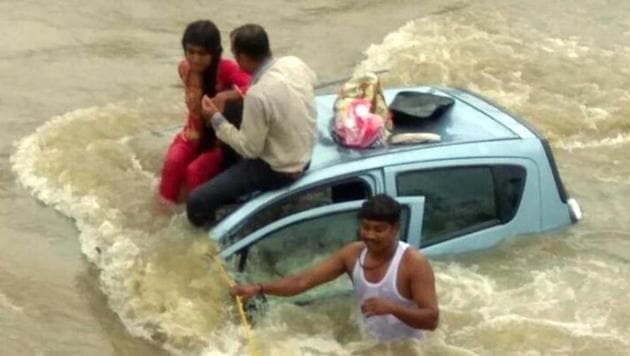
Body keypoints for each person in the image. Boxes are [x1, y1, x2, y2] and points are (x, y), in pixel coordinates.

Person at [230, 194, 439, 342]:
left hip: (408, 349)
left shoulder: (413, 263)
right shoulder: (352, 254)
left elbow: (431, 319)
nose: (370, 235)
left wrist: (392, 308)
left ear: (395, 229)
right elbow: (302, 282)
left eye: (379, 229)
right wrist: (258, 288)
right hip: (369, 344)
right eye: (365, 227)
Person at [186, 23, 317, 226]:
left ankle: (211, 238)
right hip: (305, 150)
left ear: (243, 57)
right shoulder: (294, 63)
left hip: (280, 169)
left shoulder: (259, 94)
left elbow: (250, 149)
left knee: (197, 201)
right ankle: (228, 171)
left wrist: (214, 118)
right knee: (231, 107)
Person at [158, 20, 250, 205]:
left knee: (195, 171)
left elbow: (254, 86)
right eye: (190, 52)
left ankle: (198, 218)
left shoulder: (226, 69)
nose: (195, 59)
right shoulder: (184, 69)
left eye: (202, 53)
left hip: (220, 140)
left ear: (214, 52)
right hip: (193, 133)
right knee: (173, 163)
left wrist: (225, 96)